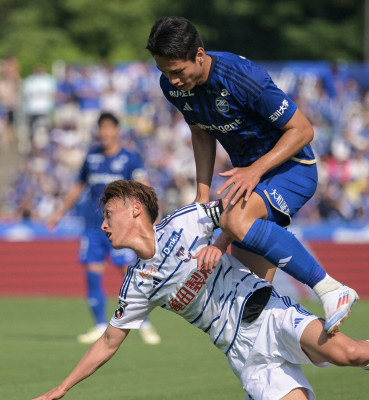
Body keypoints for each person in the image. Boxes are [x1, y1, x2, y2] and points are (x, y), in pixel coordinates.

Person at [22, 180, 369, 400]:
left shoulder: (185, 222)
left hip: (268, 313)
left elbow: (240, 212)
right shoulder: (136, 283)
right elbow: (108, 340)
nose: (103, 224)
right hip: (243, 354)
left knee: (345, 352)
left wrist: (219, 244)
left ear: (135, 210)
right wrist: (62, 388)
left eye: (109, 214)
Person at [146, 17, 357, 336]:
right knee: (252, 308)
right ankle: (348, 357)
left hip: (291, 169)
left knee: (234, 221)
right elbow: (201, 133)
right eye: (164, 72)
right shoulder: (174, 88)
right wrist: (202, 198)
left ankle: (330, 289)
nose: (172, 80)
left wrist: (254, 171)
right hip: (248, 183)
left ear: (199, 55)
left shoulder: (242, 77)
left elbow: (303, 130)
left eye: (177, 71)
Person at [47, 114, 161, 345]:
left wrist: (150, 216)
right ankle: (100, 325)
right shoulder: (91, 157)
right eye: (102, 128)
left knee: (132, 275)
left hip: (121, 230)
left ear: (117, 131)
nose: (106, 133)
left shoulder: (129, 158)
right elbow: (79, 186)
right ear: (98, 131)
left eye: (110, 128)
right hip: (93, 226)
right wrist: (59, 212)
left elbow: (144, 186)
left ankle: (144, 323)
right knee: (92, 274)